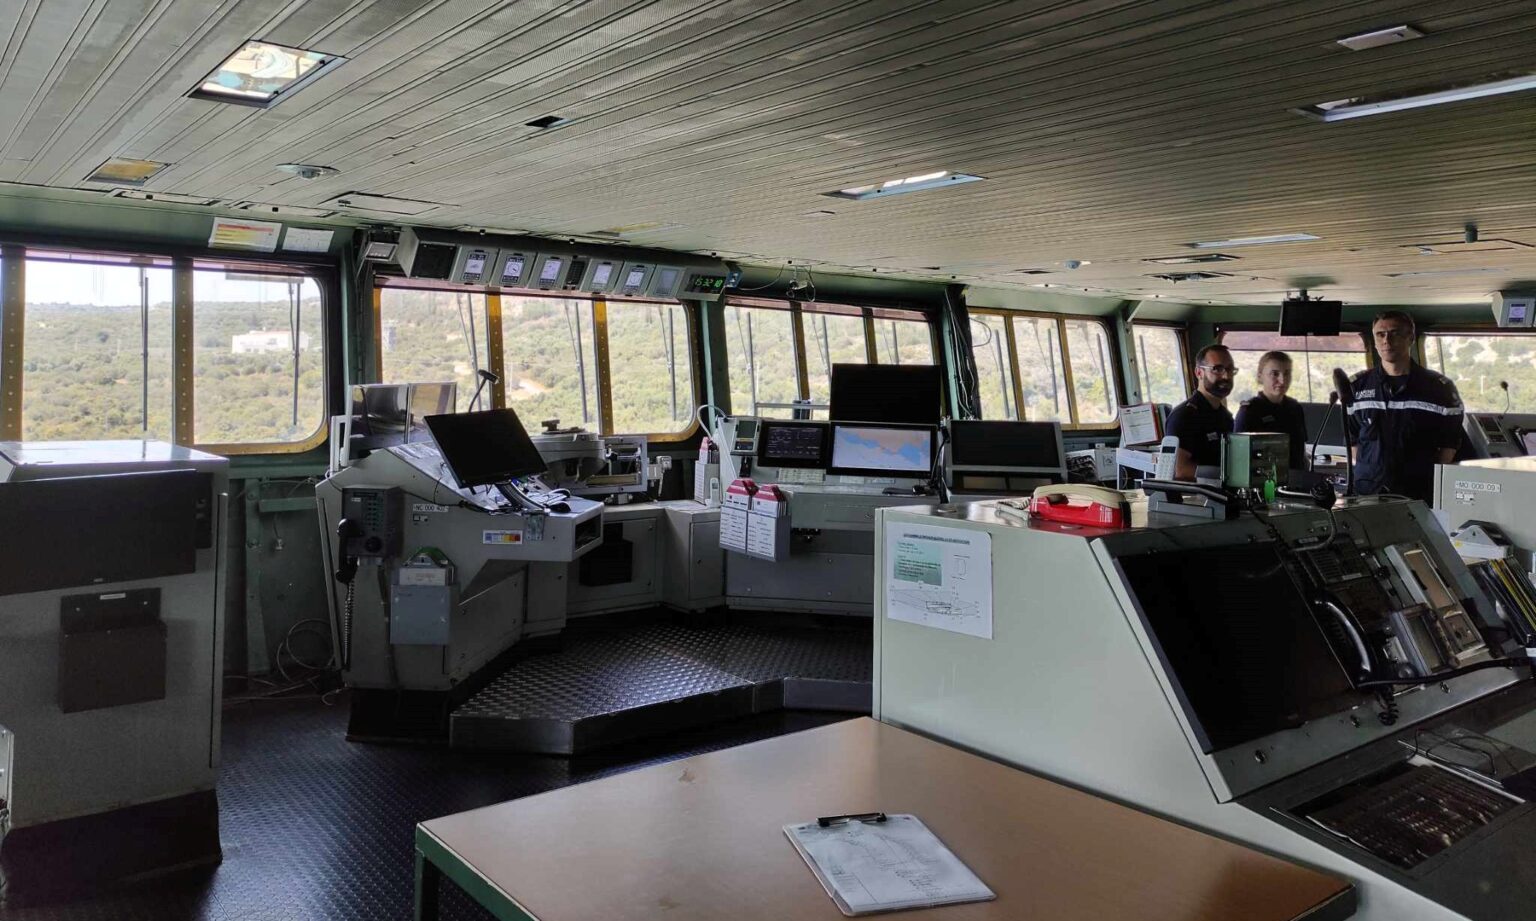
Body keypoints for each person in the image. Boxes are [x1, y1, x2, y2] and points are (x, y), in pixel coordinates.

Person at [1347, 311, 1464, 501]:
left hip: (1418, 492)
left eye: (1395, 333)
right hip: (1368, 490)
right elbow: (1353, 441)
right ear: (1374, 341)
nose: (1386, 340)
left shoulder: (1439, 388)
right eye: (1380, 334)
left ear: (1410, 338)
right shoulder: (1357, 386)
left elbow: (1449, 445)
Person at [1166, 343, 1236, 481]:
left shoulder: (1225, 417)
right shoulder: (1185, 416)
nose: (1226, 376)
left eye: (1230, 369)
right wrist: (1228, 475)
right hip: (1197, 492)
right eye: (1217, 369)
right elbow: (1180, 470)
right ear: (1199, 373)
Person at [1234, 350, 1309, 473]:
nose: (1282, 380)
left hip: (1296, 480)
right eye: (1275, 374)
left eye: (1287, 373)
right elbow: (1239, 457)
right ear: (1260, 376)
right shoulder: (1249, 411)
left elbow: (1302, 453)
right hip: (1264, 481)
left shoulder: (1295, 408)